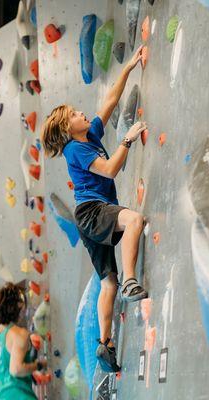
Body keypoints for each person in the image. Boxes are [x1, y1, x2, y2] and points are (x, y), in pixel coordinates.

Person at [41, 45, 148, 372]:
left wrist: (129, 66)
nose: (81, 114)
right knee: (135, 220)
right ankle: (132, 282)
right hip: (91, 211)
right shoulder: (76, 149)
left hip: (88, 217)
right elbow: (111, 169)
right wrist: (127, 140)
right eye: (74, 114)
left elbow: (110, 101)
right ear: (66, 129)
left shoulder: (89, 135)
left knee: (107, 283)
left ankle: (105, 343)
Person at [0, 283, 47, 399]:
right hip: (17, 396)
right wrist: (39, 365)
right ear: (16, 307)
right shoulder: (19, 334)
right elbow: (16, 369)